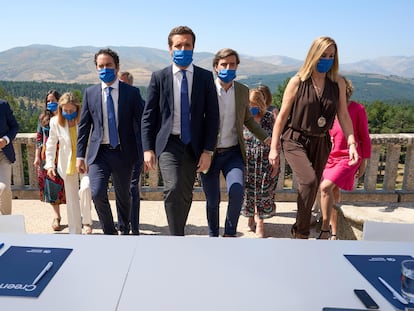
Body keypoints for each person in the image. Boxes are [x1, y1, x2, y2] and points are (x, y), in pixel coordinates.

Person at [268, 36, 359, 239]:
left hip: (321, 141)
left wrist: (352, 142)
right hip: (294, 139)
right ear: (313, 55)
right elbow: (281, 117)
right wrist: (274, 148)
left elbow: (343, 115)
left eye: (331, 56)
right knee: (308, 181)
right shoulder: (297, 82)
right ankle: (301, 231)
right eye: (323, 55)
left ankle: (300, 228)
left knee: (312, 186)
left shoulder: (338, 84)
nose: (326, 59)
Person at [141, 26, 219, 236]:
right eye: (178, 45)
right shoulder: (159, 77)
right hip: (168, 143)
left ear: (193, 48)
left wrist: (208, 151)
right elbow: (149, 115)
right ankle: (176, 237)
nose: (183, 49)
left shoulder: (204, 77)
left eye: (187, 45)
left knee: (185, 192)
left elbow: (212, 117)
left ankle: (179, 230)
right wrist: (147, 148)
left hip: (194, 145)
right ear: (170, 49)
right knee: (173, 188)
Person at [201, 48, 271, 238]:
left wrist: (266, 138)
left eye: (232, 64)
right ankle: (213, 235)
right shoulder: (206, 89)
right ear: (216, 67)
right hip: (209, 154)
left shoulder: (242, 91)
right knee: (212, 200)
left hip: (233, 152)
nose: (228, 68)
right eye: (224, 64)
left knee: (237, 191)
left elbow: (247, 119)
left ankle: (230, 234)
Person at [76, 48, 144, 235]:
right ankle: (109, 232)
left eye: (108, 65)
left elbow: (143, 122)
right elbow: (84, 127)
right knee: (96, 193)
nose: (104, 69)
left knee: (123, 196)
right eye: (101, 66)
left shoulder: (131, 93)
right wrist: (79, 155)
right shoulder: (90, 93)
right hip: (99, 153)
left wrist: (147, 150)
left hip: (124, 153)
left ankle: (124, 229)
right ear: (96, 68)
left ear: (117, 67)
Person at [319, 77, 371, 239]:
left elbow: (364, 137)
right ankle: (335, 231)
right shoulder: (327, 110)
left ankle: (324, 229)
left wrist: (364, 162)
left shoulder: (357, 109)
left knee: (325, 188)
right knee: (333, 193)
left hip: (349, 157)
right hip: (330, 158)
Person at [45, 92, 93, 234]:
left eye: (71, 110)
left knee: (85, 188)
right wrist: (49, 165)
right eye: (65, 110)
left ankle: (87, 221)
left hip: (85, 161)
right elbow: (51, 144)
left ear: (77, 109)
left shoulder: (85, 120)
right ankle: (75, 232)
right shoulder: (55, 122)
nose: (68, 113)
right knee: (71, 200)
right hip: (67, 164)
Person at [241, 88, 278, 238]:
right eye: (249, 104)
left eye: (255, 104)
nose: (252, 107)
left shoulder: (269, 118)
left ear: (261, 104)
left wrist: (276, 163)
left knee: (263, 193)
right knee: (248, 192)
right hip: (248, 162)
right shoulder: (243, 118)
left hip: (264, 162)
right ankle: (250, 216)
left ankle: (261, 222)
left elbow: (276, 142)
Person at [34, 90, 66, 231]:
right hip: (47, 157)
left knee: (66, 186)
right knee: (51, 186)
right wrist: (36, 157)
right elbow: (39, 138)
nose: (51, 103)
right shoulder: (43, 118)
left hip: (64, 156)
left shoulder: (65, 116)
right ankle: (56, 217)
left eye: (53, 100)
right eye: (48, 101)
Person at [119, 71, 144, 235]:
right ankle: (123, 226)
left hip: (135, 153)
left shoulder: (139, 102)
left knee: (132, 188)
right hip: (117, 154)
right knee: (121, 190)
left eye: (123, 84)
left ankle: (134, 228)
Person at [0, 99, 19, 215]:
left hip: (4, 154)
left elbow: (15, 127)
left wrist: (5, 140)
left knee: (4, 188)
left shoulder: (3, 105)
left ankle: (7, 222)